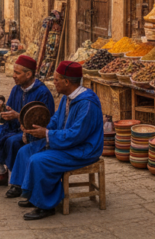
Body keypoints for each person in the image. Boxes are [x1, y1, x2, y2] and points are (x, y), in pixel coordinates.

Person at [11, 60, 103, 220]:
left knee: (39, 160)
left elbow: (76, 135)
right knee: (26, 150)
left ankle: (45, 205)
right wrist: (37, 128)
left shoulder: (87, 104)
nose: (53, 84)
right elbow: (55, 120)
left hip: (83, 149)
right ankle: (32, 194)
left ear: (67, 82)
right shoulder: (66, 98)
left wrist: (47, 134)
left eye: (56, 80)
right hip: (66, 142)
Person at [0, 54, 55, 194]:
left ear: (28, 74)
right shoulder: (16, 88)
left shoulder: (43, 93)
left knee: (12, 142)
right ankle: (1, 174)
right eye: (14, 72)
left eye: (17, 73)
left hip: (31, 133)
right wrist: (3, 109)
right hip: (11, 128)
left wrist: (18, 116)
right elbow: (8, 112)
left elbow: (43, 121)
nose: (13, 76)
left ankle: (16, 183)